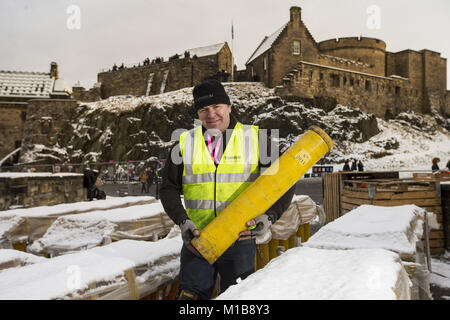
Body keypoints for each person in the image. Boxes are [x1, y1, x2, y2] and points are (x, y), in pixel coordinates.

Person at [160, 79, 295, 300]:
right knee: (189, 301)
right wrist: (181, 220)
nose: (211, 114)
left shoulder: (257, 139)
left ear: (229, 107)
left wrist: (270, 217)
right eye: (204, 109)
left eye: (217, 107)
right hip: (198, 240)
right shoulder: (185, 143)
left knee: (237, 300)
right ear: (198, 114)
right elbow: (168, 188)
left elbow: (286, 180)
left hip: (239, 241)